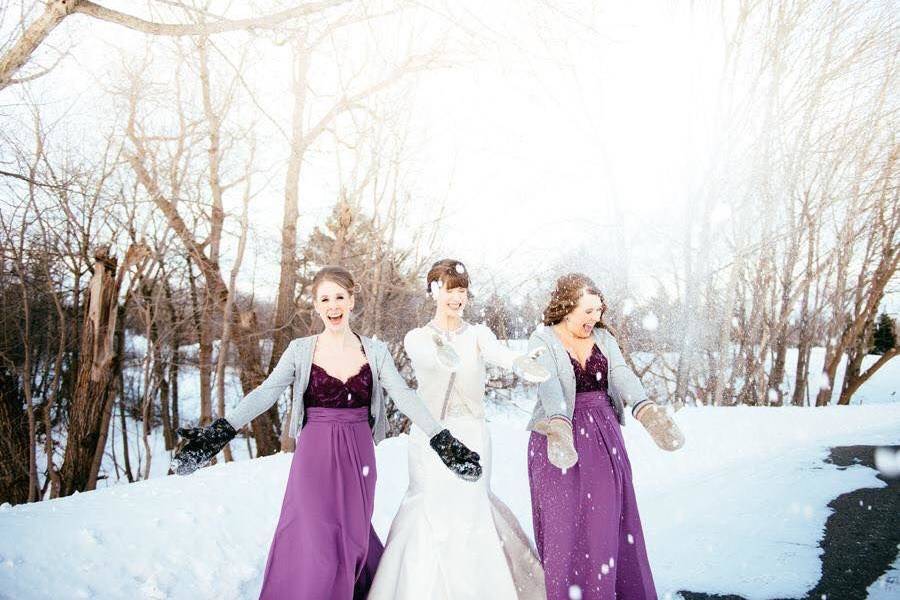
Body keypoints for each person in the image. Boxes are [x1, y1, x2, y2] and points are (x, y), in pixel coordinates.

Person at [171, 266, 482, 600]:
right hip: (314, 455)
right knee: (316, 539)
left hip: (359, 455)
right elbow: (265, 393)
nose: (333, 305)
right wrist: (219, 434)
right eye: (325, 299)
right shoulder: (300, 350)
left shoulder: (374, 352)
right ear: (315, 306)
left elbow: (405, 397)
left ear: (351, 301)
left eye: (339, 297)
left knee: (351, 540)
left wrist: (442, 440)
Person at [369, 259, 548, 600]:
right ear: (434, 292)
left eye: (462, 291)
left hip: (473, 433)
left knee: (470, 508)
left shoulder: (479, 335)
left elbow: (498, 353)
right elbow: (427, 356)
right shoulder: (417, 337)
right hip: (432, 435)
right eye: (450, 290)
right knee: (431, 507)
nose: (457, 298)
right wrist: (443, 349)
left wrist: (518, 361)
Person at [527, 273, 684, 599]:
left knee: (604, 524)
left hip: (602, 435)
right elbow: (549, 381)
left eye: (599, 310)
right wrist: (559, 423)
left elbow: (622, 374)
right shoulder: (542, 340)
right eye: (588, 311)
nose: (595, 317)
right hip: (557, 438)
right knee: (564, 528)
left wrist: (645, 409)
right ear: (567, 308)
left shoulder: (604, 339)